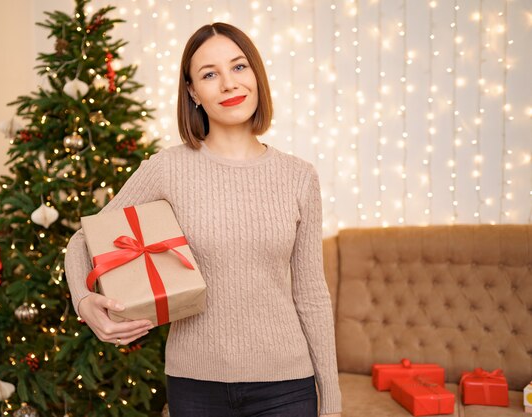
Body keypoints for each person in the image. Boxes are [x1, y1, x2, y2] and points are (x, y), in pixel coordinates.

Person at [64, 22, 342, 417]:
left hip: (286, 388)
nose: (229, 84)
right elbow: (83, 241)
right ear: (193, 91)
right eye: (210, 74)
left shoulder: (299, 176)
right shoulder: (166, 169)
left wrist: (330, 401)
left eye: (239, 67)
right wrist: (84, 301)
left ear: (256, 76)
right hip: (195, 387)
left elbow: (311, 295)